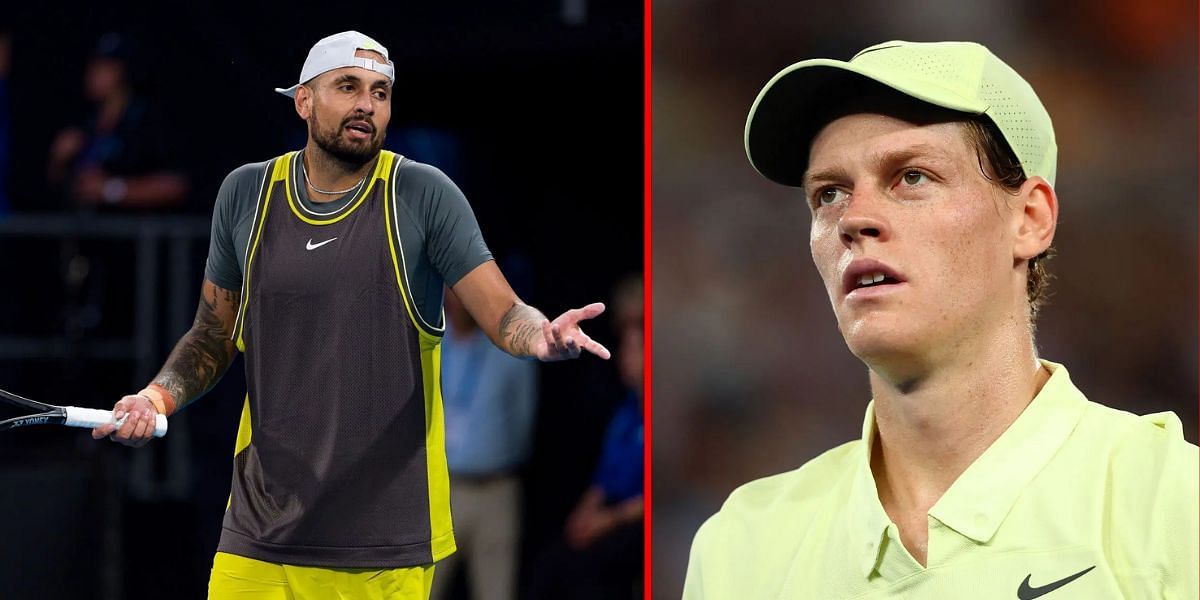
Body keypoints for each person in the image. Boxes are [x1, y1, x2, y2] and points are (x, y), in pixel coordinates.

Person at [90, 31, 611, 600]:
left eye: (381, 92)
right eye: (348, 87)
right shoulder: (245, 194)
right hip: (258, 536)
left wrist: (542, 335)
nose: (367, 104)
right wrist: (154, 398)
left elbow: (504, 310)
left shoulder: (421, 194)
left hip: (381, 546)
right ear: (304, 101)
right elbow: (213, 335)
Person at [684, 40, 1197, 599]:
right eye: (829, 193)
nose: (854, 218)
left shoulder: (1173, 503)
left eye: (911, 177)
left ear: (1029, 219)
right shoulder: (743, 545)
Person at [528, 274, 643, 600]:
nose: (626, 356)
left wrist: (607, 521)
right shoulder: (626, 413)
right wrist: (585, 515)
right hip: (613, 514)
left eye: (636, 347)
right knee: (552, 562)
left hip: (634, 523)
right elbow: (602, 481)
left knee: (592, 569)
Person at [429, 285, 538, 600]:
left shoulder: (511, 349)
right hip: (440, 491)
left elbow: (522, 423)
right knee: (422, 589)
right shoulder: (427, 342)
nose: (461, 298)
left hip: (496, 488)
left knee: (496, 590)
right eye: (452, 288)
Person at [46, 32, 189, 210]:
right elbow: (62, 187)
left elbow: (175, 185)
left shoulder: (147, 121)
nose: (94, 73)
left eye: (105, 67)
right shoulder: (85, 123)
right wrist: (58, 161)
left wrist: (110, 189)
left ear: (124, 72)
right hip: (83, 232)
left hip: (132, 233)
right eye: (93, 65)